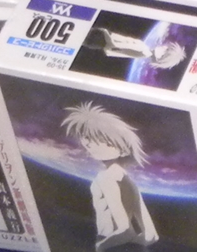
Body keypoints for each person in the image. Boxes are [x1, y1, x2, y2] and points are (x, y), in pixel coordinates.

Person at [62, 99, 158, 249]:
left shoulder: (105, 177)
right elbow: (151, 235)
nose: (89, 143)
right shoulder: (130, 182)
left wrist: (100, 247)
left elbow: (125, 230)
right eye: (87, 137)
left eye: (102, 140)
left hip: (110, 243)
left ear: (123, 151)